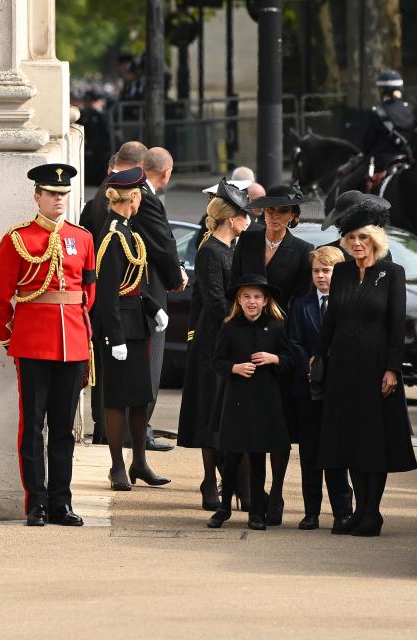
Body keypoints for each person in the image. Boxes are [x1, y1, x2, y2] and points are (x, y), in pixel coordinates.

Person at [0, 163, 95, 526]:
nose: (59, 199)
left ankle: (62, 502)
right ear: (38, 196)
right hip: (32, 344)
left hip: (73, 343)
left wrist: (78, 327)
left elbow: (87, 292)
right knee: (32, 427)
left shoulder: (84, 237)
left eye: (63, 194)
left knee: (63, 428)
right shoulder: (19, 238)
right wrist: (8, 337)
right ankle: (37, 503)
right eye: (52, 194)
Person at [312, 192, 417, 537]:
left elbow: (396, 325)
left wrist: (392, 369)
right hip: (342, 367)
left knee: (373, 442)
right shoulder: (340, 273)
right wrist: (318, 355)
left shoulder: (392, 273)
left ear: (375, 239)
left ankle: (372, 512)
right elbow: (329, 323)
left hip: (376, 370)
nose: (356, 244)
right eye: (351, 238)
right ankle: (357, 511)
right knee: (349, 441)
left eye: (362, 237)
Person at [232, 183, 316, 522]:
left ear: (293, 216)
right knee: (250, 422)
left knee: (279, 424)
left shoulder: (303, 249)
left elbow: (303, 299)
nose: (275, 217)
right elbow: (235, 285)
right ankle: (255, 494)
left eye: (282, 212)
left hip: (281, 338)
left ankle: (278, 493)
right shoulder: (248, 240)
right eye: (270, 211)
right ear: (262, 212)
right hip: (246, 334)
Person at [92, 167, 171, 491]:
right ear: (134, 197)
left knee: (140, 398)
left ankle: (139, 462)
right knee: (117, 401)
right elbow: (107, 295)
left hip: (136, 327)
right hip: (120, 333)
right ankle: (116, 467)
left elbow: (134, 287)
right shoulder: (112, 236)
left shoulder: (128, 232)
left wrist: (154, 308)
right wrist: (115, 338)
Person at [177, 180, 252, 510]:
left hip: (229, 337)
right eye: (244, 215)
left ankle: (234, 481)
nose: (248, 221)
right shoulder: (210, 251)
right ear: (231, 219)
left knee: (230, 412)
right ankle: (209, 480)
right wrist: (242, 323)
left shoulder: (231, 249)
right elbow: (215, 300)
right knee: (210, 410)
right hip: (213, 341)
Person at [206, 275, 294, 530]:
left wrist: (273, 358)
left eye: (257, 297)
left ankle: (256, 512)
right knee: (232, 456)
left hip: (265, 402)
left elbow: (290, 360)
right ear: (239, 300)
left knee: (257, 458)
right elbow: (217, 361)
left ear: (265, 301)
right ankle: (223, 509)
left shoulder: (276, 326)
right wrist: (234, 367)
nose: (252, 302)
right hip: (237, 403)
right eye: (247, 297)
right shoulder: (230, 327)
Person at [289, 246, 354, 532]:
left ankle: (342, 511)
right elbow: (294, 342)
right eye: (316, 271)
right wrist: (312, 367)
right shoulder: (300, 305)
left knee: (337, 453)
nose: (320, 276)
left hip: (339, 387)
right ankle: (311, 511)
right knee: (310, 454)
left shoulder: (348, 304)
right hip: (308, 389)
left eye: (326, 271)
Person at [139, 147, 187, 452]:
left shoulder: (138, 195)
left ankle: (139, 432)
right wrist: (177, 277)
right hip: (148, 294)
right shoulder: (148, 199)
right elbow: (165, 246)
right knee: (149, 369)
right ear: (166, 172)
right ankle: (140, 434)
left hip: (140, 294)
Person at [336, 70, 417, 197]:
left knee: (347, 184)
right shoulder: (409, 110)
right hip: (408, 158)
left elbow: (367, 144)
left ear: (382, 90)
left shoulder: (377, 112)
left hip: (382, 161)